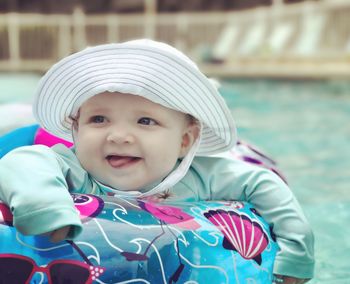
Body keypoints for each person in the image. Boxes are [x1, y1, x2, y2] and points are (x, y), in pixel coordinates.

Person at [0, 39, 314, 283]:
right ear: (76, 129)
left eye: (146, 122)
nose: (118, 136)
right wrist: (43, 206)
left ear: (185, 140)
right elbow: (23, 162)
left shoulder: (203, 175)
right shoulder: (75, 168)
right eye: (99, 119)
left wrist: (296, 252)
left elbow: (262, 182)